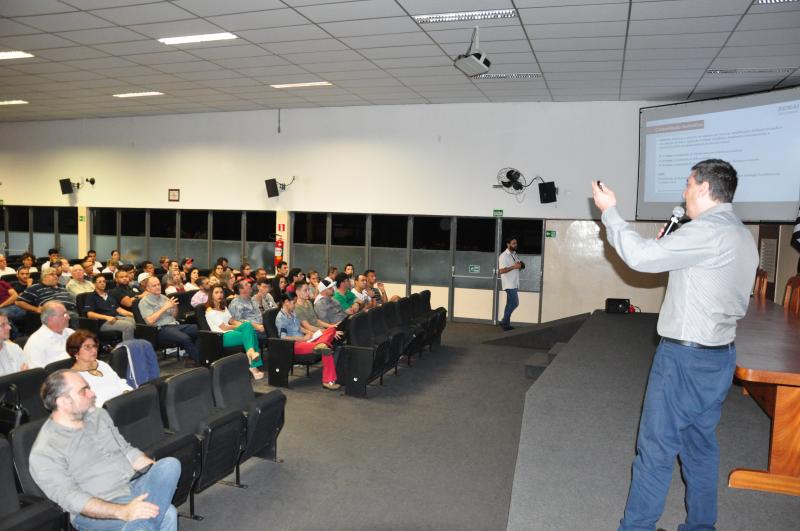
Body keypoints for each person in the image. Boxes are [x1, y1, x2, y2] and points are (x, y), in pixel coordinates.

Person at [591, 159, 758, 531]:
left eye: (686, 184)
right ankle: (701, 526)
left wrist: (610, 212)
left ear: (702, 187)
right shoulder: (741, 235)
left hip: (684, 359)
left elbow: (638, 258)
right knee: (699, 448)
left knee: (656, 449)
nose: (683, 192)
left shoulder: (707, 231)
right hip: (719, 357)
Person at [29, 370, 180, 530]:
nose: (92, 393)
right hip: (98, 506)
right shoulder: (45, 450)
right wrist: (123, 511)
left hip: (133, 485)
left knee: (169, 465)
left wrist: (154, 473)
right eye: (84, 391)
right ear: (63, 402)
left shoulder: (98, 415)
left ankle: (140, 526)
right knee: (167, 513)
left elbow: (126, 450)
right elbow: (72, 499)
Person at [275, 292, 339, 390]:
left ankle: (320, 344)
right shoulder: (280, 318)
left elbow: (299, 328)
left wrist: (310, 333)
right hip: (295, 345)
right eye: (293, 303)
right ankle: (328, 381)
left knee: (331, 330)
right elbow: (283, 337)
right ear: (286, 302)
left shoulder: (293, 313)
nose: (294, 305)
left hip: (305, 341)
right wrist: (303, 338)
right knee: (326, 350)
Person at [138, 276, 200, 367]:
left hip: (174, 324)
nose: (158, 287)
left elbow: (174, 316)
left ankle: (192, 357)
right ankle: (200, 361)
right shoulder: (144, 302)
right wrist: (165, 308)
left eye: (158, 284)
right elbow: (150, 321)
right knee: (185, 338)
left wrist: (174, 307)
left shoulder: (164, 297)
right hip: (160, 329)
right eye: (154, 285)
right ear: (148, 288)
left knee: (199, 330)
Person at [205, 285, 264, 379]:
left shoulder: (223, 307)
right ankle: (253, 364)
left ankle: (251, 355)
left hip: (230, 332)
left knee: (248, 326)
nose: (219, 295)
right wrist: (240, 327)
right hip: (221, 336)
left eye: (221, 292)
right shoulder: (210, 310)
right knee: (251, 333)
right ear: (211, 295)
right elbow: (224, 328)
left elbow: (232, 320)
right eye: (216, 293)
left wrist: (242, 325)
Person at [67, 330, 131, 407]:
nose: (94, 350)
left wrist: (127, 392)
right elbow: (87, 406)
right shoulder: (74, 377)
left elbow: (120, 382)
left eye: (94, 346)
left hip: (122, 403)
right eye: (87, 347)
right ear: (75, 352)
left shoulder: (101, 364)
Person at [22, 301, 74, 368]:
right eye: (64, 314)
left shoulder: (71, 332)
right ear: (51, 318)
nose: (68, 317)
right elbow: (37, 372)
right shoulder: (35, 342)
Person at [84, 275, 136, 341]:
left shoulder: (109, 295)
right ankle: (127, 347)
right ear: (94, 284)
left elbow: (118, 309)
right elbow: (89, 314)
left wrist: (132, 314)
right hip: (103, 322)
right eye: (99, 282)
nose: (102, 283)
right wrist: (106, 317)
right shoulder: (91, 296)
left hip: (115, 317)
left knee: (133, 320)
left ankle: (134, 342)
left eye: (104, 281)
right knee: (128, 326)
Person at [228, 279, 268, 343]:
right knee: (275, 334)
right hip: (252, 330)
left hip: (262, 327)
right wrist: (256, 326)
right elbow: (237, 322)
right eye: (246, 284)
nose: (250, 285)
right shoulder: (236, 303)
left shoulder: (252, 300)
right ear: (241, 290)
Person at [498, 236, 522, 331]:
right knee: (515, 303)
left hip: (514, 283)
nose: (515, 245)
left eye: (516, 243)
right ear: (508, 244)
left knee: (509, 304)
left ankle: (506, 325)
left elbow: (517, 266)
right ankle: (504, 321)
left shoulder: (514, 254)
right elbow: (501, 270)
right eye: (513, 243)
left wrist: (520, 266)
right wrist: (513, 267)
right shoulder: (503, 256)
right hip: (509, 284)